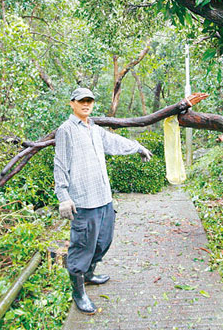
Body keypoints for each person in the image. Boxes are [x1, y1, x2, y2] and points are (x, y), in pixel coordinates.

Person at [53, 87, 152, 315]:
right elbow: (59, 165)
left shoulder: (95, 129)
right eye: (81, 101)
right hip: (83, 202)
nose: (85, 105)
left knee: (103, 241)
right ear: (72, 104)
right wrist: (63, 197)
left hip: (104, 198)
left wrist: (137, 147)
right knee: (81, 247)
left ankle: (88, 275)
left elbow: (115, 142)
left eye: (89, 101)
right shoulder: (66, 130)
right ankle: (78, 292)